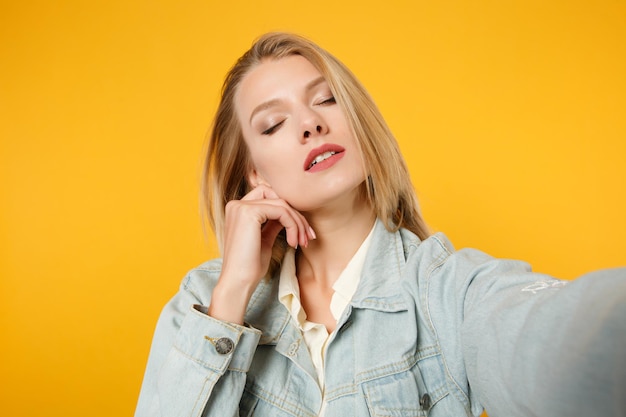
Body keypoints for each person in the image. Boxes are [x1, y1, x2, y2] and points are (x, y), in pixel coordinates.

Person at [135, 32, 626, 417]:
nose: (310, 124)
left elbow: (554, 337)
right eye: (273, 124)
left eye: (326, 100)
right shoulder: (199, 306)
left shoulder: (444, 292)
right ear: (255, 174)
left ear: (359, 124)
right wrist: (232, 296)